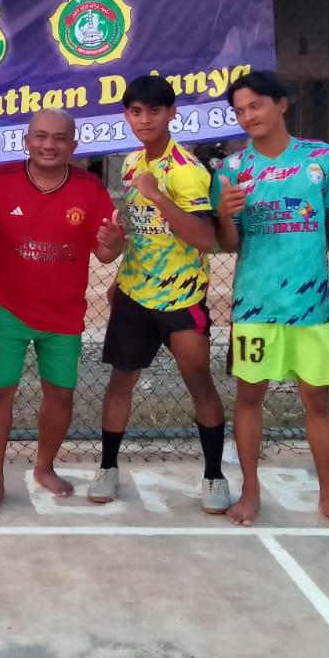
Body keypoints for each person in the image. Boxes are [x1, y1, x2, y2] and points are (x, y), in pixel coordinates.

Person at [211, 71, 329, 535]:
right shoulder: (231, 170)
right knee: (249, 396)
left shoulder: (321, 158)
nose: (248, 116)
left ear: (281, 104)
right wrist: (225, 214)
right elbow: (228, 244)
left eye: (255, 105)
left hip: (311, 307)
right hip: (254, 305)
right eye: (239, 111)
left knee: (317, 399)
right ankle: (250, 490)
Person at [0, 109, 120, 514]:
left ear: (74, 145)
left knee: (61, 393)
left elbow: (106, 252)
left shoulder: (89, 188)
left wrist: (114, 243)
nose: (49, 145)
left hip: (63, 314)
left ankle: (44, 467)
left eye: (60, 138)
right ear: (27, 141)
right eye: (41, 136)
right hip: (7, 307)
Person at [90, 75, 232, 515]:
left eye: (154, 110)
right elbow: (138, 233)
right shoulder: (132, 163)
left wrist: (159, 196)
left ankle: (214, 475)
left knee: (199, 382)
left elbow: (205, 238)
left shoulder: (188, 170)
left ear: (171, 113)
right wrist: (117, 252)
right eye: (136, 111)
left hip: (181, 298)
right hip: (134, 294)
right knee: (121, 381)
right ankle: (107, 467)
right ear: (126, 116)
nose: (145, 119)